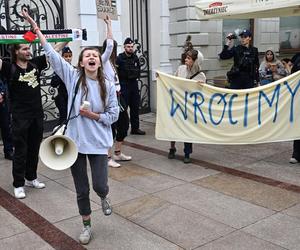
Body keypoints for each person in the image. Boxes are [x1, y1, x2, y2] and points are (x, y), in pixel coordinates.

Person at [22, 8, 119, 245]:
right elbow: (52, 56)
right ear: (81, 61)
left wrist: (93, 115)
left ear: (99, 60)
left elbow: (113, 115)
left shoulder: (106, 83)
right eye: (87, 55)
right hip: (75, 143)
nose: (91, 57)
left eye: (94, 55)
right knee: (82, 189)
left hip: (98, 143)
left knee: (100, 185)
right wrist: (36, 28)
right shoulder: (72, 77)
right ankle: (86, 226)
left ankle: (104, 197)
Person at [0, 39, 66, 198]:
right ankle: (18, 184)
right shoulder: (10, 68)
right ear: (16, 51)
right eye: (24, 48)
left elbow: (53, 50)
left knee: (34, 148)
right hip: (20, 117)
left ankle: (31, 178)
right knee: (20, 151)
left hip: (37, 115)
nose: (28, 51)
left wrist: (67, 37)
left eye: (28, 48)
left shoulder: (35, 64)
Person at [168, 48, 206, 164]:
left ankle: (187, 152)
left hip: (189, 107)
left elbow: (203, 93)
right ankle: (172, 148)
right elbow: (172, 80)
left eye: (189, 58)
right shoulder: (181, 69)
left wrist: (201, 86)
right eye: (186, 57)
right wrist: (162, 78)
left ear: (195, 61)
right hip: (177, 103)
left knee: (187, 129)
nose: (186, 59)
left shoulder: (201, 76)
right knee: (173, 126)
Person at [102, 39, 131, 168]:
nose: (113, 50)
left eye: (114, 48)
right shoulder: (103, 60)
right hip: (110, 98)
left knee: (124, 124)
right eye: (112, 48)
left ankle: (117, 152)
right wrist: (108, 25)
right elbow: (108, 48)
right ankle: (107, 157)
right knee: (111, 128)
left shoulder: (112, 63)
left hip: (118, 97)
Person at [116, 37, 146, 135]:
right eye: (128, 47)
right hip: (124, 85)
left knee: (135, 107)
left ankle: (135, 128)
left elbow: (138, 70)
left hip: (133, 84)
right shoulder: (119, 58)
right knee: (123, 109)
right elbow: (116, 73)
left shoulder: (135, 57)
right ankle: (121, 129)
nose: (130, 48)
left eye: (131, 47)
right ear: (124, 47)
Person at [50, 46, 73, 124]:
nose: (68, 58)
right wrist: (61, 75)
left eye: (70, 56)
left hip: (72, 97)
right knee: (63, 118)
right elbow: (53, 83)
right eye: (66, 56)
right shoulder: (59, 70)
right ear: (62, 57)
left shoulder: (74, 69)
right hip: (62, 97)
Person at [288, 53, 300, 164]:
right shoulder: (297, 56)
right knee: (298, 125)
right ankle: (296, 154)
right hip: (298, 96)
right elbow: (292, 74)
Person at [0, 77, 14, 160]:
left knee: (6, 127)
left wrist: (2, 93)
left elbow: (5, 80)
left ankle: (8, 150)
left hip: (3, 102)